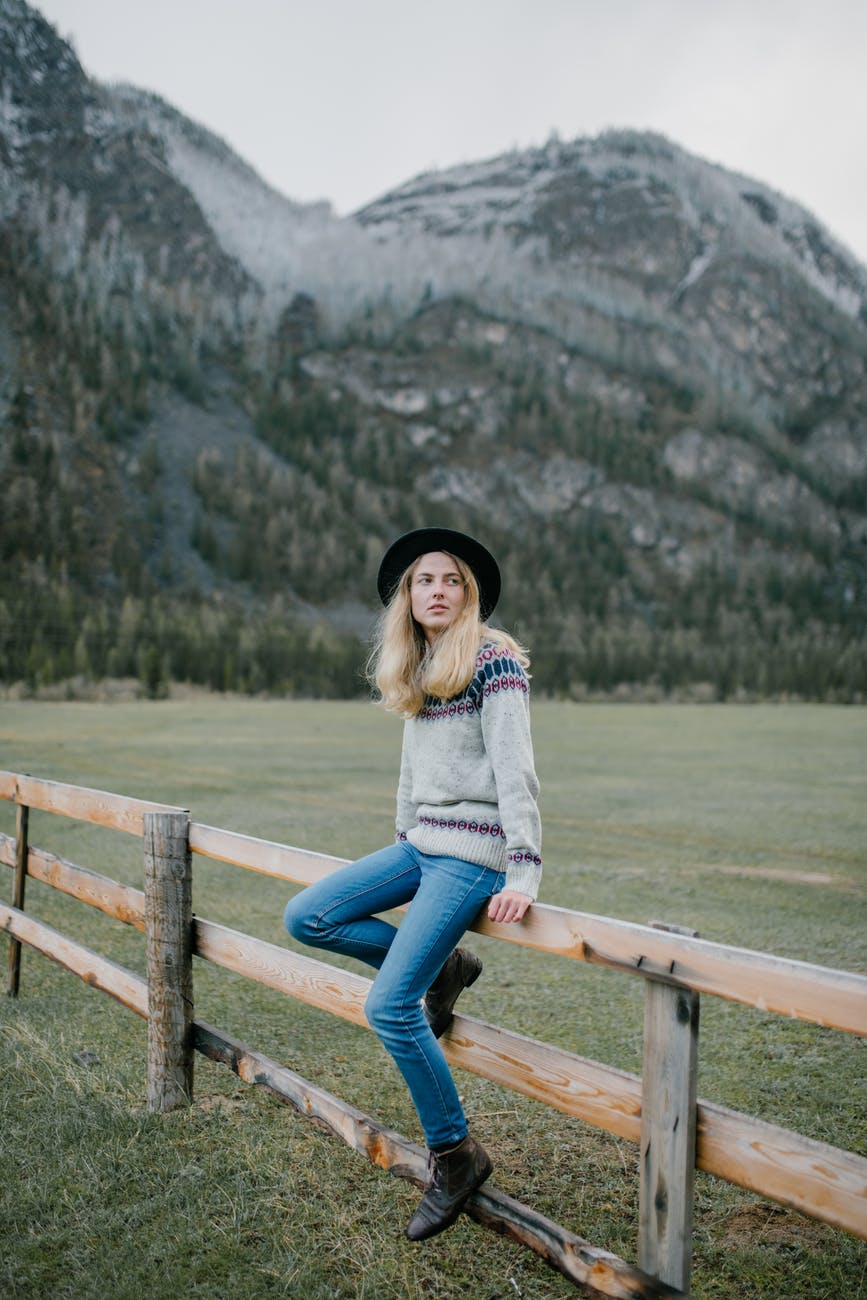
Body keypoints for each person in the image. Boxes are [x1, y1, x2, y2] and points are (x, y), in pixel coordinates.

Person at [284, 526, 542, 1241]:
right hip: (423, 846)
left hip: (473, 855)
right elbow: (412, 770)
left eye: (451, 580)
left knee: (391, 1006)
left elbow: (515, 769)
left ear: (469, 594)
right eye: (423, 580)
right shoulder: (420, 662)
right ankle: (447, 966)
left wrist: (523, 866)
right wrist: (401, 844)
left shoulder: (493, 663)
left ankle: (455, 1154)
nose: (436, 590)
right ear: (407, 596)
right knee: (309, 916)